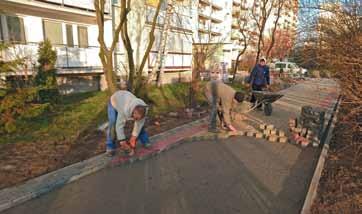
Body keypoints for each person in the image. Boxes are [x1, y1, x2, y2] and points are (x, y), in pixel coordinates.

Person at [106, 90, 151, 157]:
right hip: (114, 101)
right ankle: (110, 147)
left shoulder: (143, 109)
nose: (136, 120)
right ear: (133, 112)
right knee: (113, 123)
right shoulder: (124, 110)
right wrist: (122, 142)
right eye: (135, 118)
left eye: (138, 118)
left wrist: (133, 138)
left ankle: (145, 141)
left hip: (125, 98)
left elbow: (139, 125)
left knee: (140, 125)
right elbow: (119, 126)